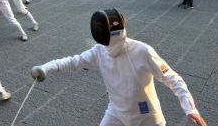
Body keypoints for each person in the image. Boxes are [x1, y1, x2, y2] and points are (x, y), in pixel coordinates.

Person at [31, 8, 208, 126]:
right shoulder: (99, 51)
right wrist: (46, 68)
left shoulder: (142, 51)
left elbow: (173, 79)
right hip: (116, 114)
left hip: (147, 119)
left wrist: (190, 109)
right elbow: (72, 62)